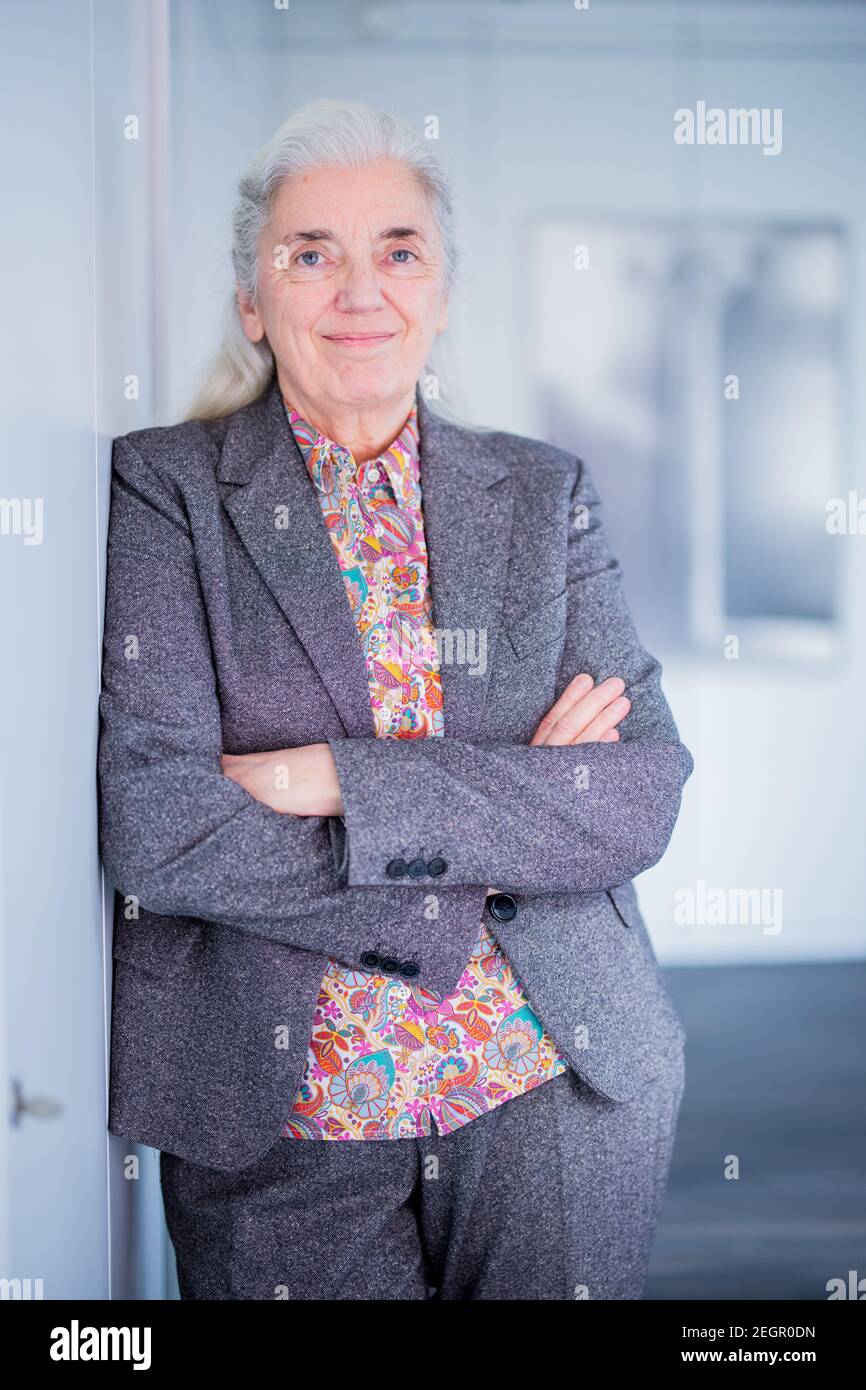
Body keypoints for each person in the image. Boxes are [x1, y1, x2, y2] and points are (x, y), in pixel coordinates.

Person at [99, 97, 693, 1301]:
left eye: (397, 251)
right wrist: (494, 821)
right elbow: (159, 825)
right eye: (309, 254)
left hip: (552, 1080)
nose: (358, 291)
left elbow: (635, 792)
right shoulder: (165, 488)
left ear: (440, 289)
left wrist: (324, 777)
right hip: (285, 1116)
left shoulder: (538, 492)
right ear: (252, 304)